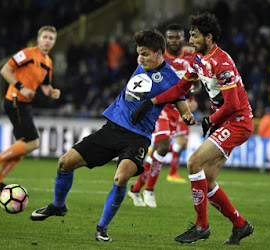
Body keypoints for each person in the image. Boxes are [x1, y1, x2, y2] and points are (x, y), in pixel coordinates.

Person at [30, 29, 197, 242]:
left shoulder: (171, 79)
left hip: (137, 137)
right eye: (139, 53)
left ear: (158, 52)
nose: (140, 58)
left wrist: (188, 117)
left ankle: (102, 227)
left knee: (121, 177)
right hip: (111, 130)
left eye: (145, 54)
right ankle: (58, 205)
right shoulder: (142, 65)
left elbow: (182, 104)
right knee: (64, 163)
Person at [131, 12, 254, 245]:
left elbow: (233, 105)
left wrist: (210, 120)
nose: (190, 38)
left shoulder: (222, 62)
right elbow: (180, 89)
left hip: (237, 122)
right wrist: (151, 102)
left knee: (193, 162)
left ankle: (201, 226)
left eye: (194, 35)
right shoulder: (198, 59)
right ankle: (240, 225)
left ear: (208, 37)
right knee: (206, 179)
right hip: (225, 121)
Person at [127, 24, 199, 208]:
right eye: (170, 37)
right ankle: (149, 190)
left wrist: (190, 98)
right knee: (164, 146)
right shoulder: (158, 57)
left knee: (159, 151)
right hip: (159, 108)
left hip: (176, 110)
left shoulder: (190, 58)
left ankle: (136, 188)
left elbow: (194, 83)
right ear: (166, 39)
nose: (174, 40)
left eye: (177, 37)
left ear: (182, 39)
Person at [0, 26, 60, 191]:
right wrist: (20, 87)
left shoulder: (48, 63)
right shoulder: (27, 54)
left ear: (54, 42)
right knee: (33, 142)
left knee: (23, 146)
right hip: (15, 100)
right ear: (38, 39)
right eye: (45, 37)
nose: (47, 41)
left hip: (24, 104)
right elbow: (5, 70)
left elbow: (45, 87)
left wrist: (52, 92)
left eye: (51, 38)